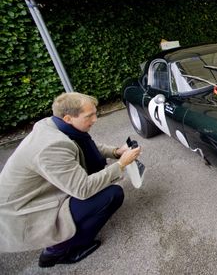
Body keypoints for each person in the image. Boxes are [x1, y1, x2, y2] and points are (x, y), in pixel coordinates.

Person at [0, 92, 141, 267]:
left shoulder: (55, 125)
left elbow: (81, 146)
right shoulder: (53, 146)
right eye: (89, 116)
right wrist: (120, 164)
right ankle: (57, 252)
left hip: (34, 196)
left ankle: (63, 242)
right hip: (26, 211)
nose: (95, 119)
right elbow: (82, 190)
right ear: (68, 118)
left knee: (103, 190)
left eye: (95, 113)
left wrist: (115, 152)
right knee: (112, 195)